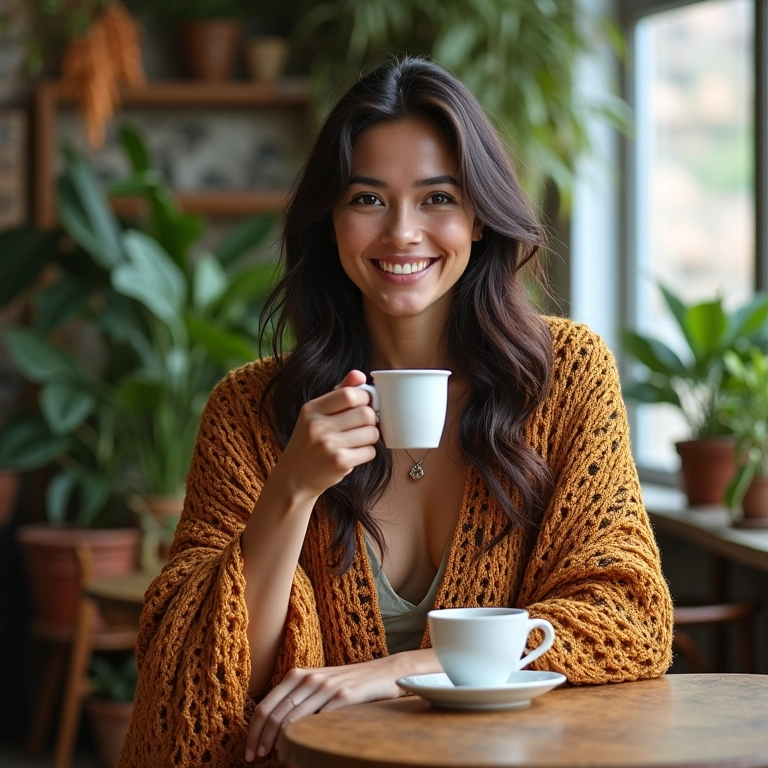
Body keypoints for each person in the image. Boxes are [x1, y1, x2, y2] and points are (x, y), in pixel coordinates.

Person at [119, 56, 673, 768]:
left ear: (479, 218)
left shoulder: (563, 378)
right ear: (331, 222)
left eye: (437, 198)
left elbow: (627, 614)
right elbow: (197, 679)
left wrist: (395, 674)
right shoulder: (248, 411)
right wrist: (291, 488)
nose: (402, 232)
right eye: (369, 200)